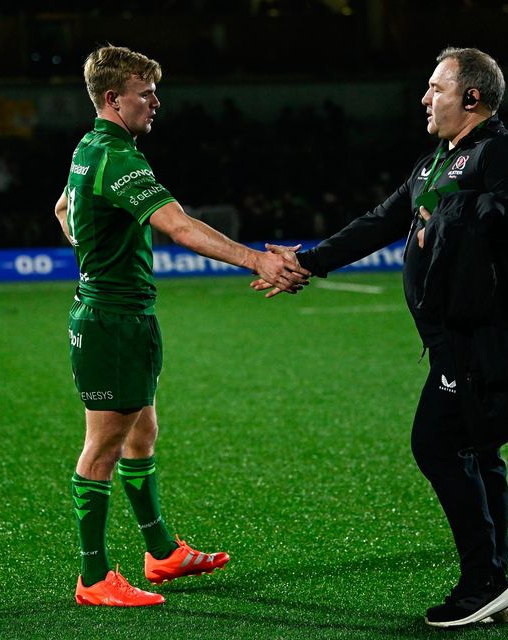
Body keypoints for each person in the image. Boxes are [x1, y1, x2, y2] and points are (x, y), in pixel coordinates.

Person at [252, 47, 508, 627]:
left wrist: (449, 214)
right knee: (477, 451)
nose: (424, 98)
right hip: (452, 338)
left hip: (484, 338)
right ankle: (492, 582)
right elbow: (381, 220)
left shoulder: (507, 152)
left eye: (435, 88)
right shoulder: (432, 164)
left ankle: (482, 583)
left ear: (471, 98)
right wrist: (309, 261)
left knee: (437, 444)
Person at [54, 44, 309, 607]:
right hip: (110, 321)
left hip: (130, 315)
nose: (156, 102)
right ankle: (92, 579)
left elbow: (63, 209)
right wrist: (259, 259)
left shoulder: (92, 147)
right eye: (145, 94)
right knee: (102, 446)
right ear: (112, 98)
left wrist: (89, 245)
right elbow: (182, 228)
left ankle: (161, 551)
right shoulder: (118, 157)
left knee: (142, 432)